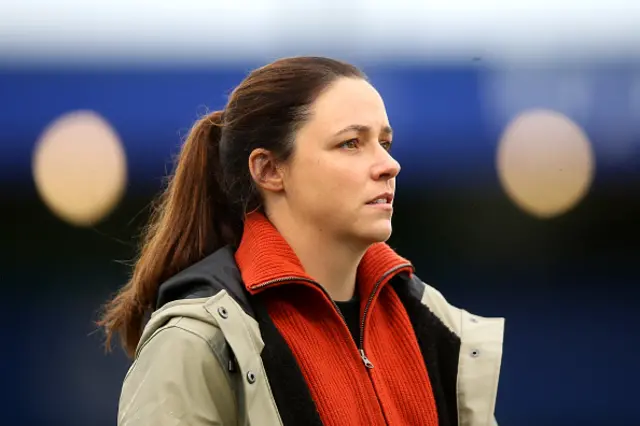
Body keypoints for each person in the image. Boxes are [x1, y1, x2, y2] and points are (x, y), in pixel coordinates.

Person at [100, 56, 504, 426]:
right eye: (351, 143)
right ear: (269, 169)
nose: (389, 165)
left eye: (385, 142)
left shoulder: (436, 326)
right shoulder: (199, 342)